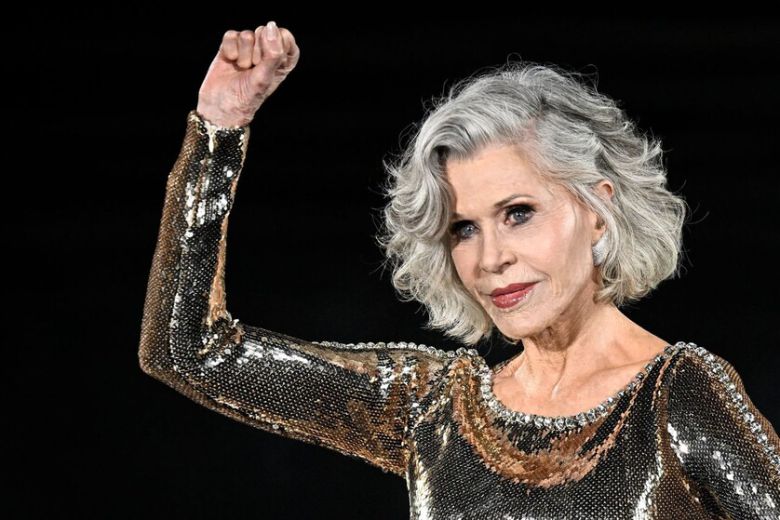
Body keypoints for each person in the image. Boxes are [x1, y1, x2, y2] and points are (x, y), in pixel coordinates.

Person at [138, 20, 780, 519]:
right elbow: (187, 350)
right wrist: (219, 129)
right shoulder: (435, 408)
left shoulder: (679, 394)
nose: (491, 257)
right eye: (463, 229)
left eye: (519, 213)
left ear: (597, 212)